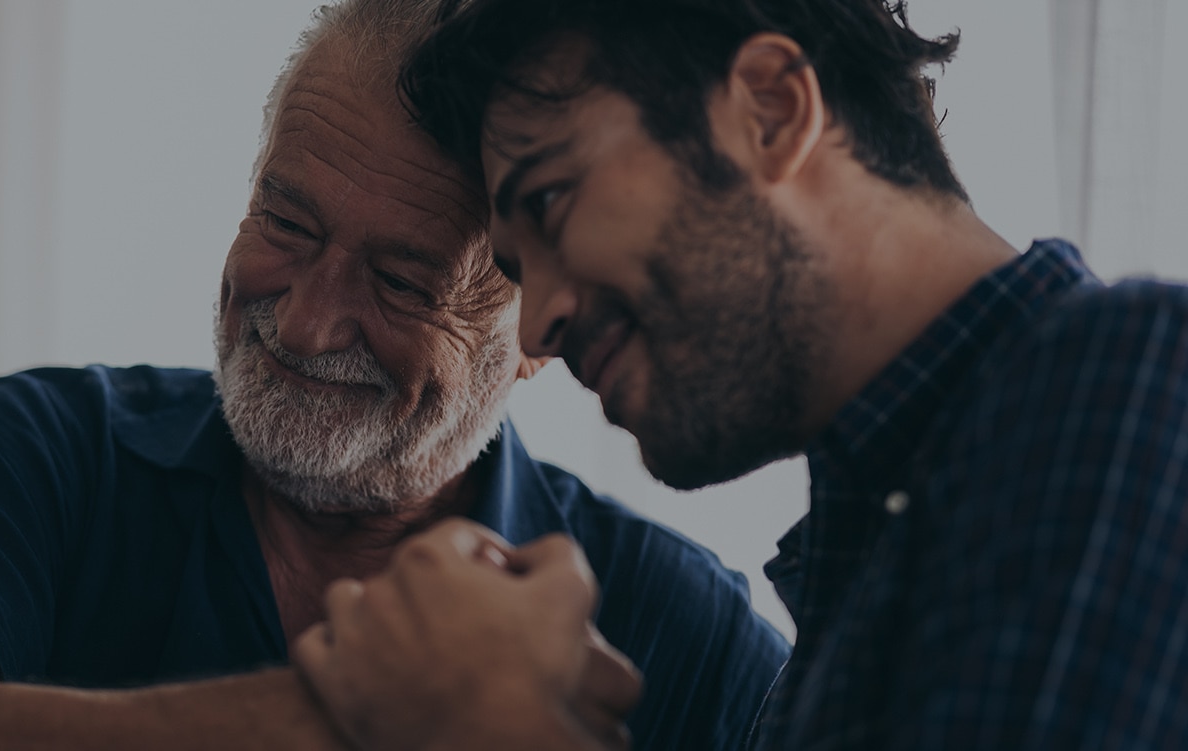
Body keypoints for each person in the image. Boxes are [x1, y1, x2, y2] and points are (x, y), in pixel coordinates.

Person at [0, 1, 790, 749]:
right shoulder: (45, 450)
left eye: (402, 280)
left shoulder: (673, 628)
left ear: (539, 330)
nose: (304, 320)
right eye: (286, 223)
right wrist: (353, 714)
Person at [293, 0, 1188, 749]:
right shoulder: (846, 593)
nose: (541, 323)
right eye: (519, 272)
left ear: (770, 110)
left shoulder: (1134, 376)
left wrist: (507, 726)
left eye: (552, 199)